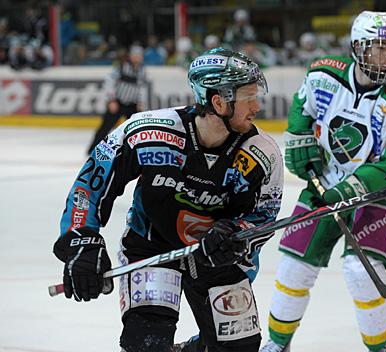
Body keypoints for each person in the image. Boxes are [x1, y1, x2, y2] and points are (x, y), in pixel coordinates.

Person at [53, 47, 284, 352]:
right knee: (147, 343)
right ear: (219, 102)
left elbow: (264, 216)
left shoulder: (262, 154)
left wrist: (237, 234)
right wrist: (81, 241)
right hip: (153, 244)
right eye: (248, 98)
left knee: (237, 348)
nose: (257, 106)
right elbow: (90, 186)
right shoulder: (147, 132)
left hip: (215, 252)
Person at [260, 11, 386, 352]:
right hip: (324, 183)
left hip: (380, 196)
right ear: (357, 48)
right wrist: (300, 140)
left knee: (361, 273)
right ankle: (277, 345)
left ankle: (380, 349)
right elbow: (301, 109)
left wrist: (345, 192)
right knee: (292, 266)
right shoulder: (323, 74)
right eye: (379, 48)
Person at [86, 45, 147, 155]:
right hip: (118, 102)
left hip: (133, 105)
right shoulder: (121, 67)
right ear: (130, 56)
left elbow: (141, 88)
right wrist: (111, 100)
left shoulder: (142, 70)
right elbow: (109, 82)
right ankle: (92, 150)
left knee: (134, 130)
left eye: (139, 55)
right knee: (105, 128)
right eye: (135, 55)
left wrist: (141, 102)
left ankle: (131, 153)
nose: (137, 57)